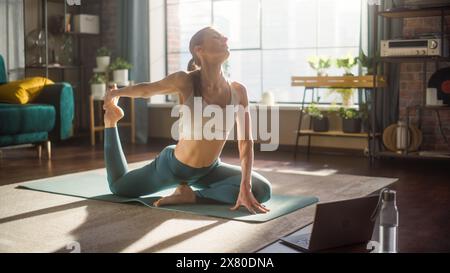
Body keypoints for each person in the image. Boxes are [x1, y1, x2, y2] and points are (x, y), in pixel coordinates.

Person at [103, 26, 271, 214]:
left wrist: (245, 186)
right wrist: (116, 93)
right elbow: (147, 89)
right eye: (216, 37)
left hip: (209, 170)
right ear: (199, 50)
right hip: (174, 167)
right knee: (119, 188)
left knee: (261, 189)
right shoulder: (185, 81)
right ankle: (110, 123)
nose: (225, 38)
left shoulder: (238, 91)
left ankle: (191, 196)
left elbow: (245, 142)